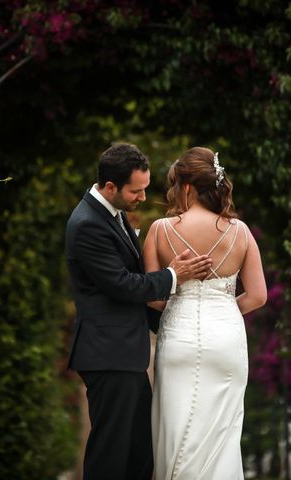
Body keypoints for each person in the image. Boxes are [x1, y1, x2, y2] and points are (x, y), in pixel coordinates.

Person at [65, 143, 213, 480]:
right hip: (107, 355)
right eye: (137, 191)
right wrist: (175, 275)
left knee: (138, 452)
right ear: (111, 187)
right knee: (111, 454)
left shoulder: (109, 214)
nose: (143, 198)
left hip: (122, 355)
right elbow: (124, 285)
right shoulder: (87, 223)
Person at [143, 147, 267, 479]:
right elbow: (257, 296)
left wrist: (180, 294)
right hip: (226, 339)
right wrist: (223, 309)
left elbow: (153, 300)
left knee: (175, 429)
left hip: (179, 339)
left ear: (185, 187)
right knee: (223, 437)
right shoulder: (240, 232)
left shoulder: (159, 230)